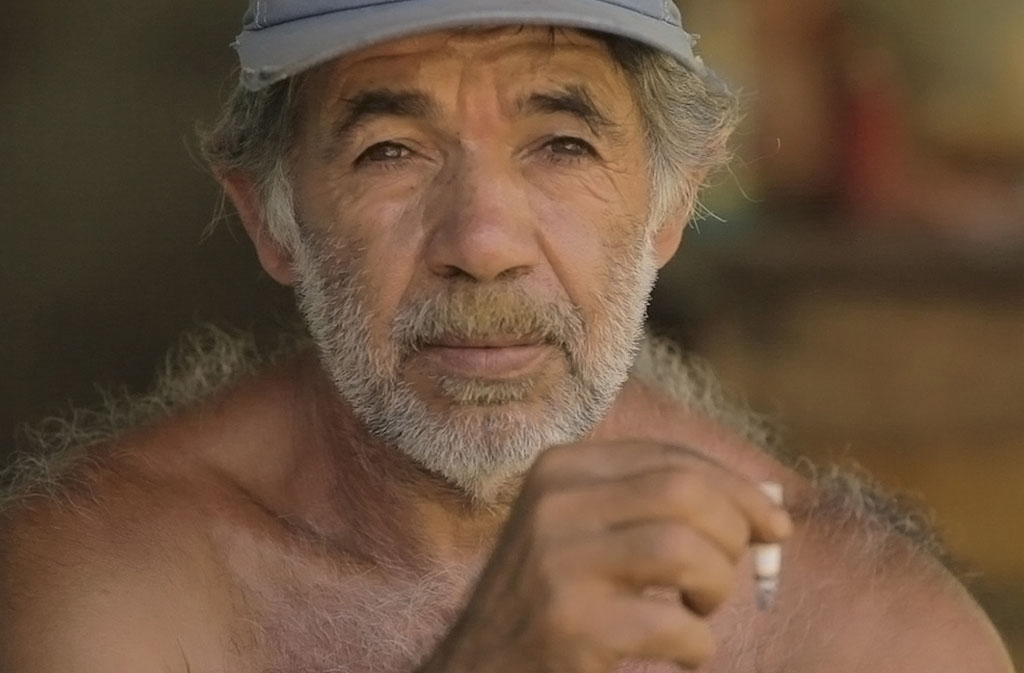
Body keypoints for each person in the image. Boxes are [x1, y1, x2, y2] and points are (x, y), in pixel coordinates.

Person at [0, 1, 1014, 671]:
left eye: (561, 144)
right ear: (272, 218)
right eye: (389, 149)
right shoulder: (110, 595)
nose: (482, 243)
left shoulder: (859, 632)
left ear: (670, 205)